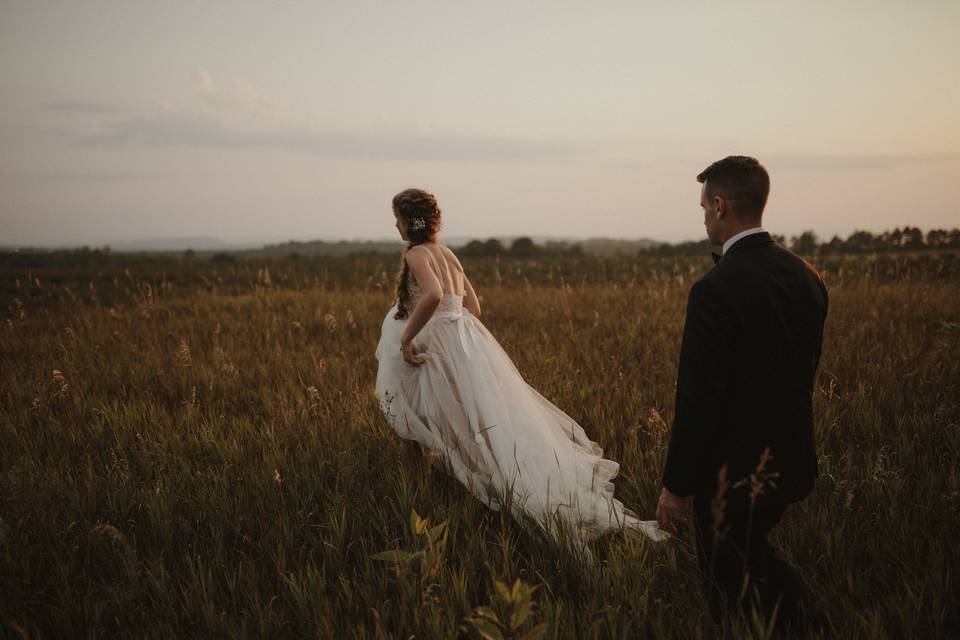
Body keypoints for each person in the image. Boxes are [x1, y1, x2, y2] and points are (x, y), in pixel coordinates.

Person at [375, 187, 667, 548]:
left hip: (438, 345)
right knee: (478, 419)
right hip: (467, 341)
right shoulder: (447, 252)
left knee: (431, 417)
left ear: (409, 222)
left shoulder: (418, 254)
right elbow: (473, 307)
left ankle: (434, 490)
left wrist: (408, 339)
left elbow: (433, 295)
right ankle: (462, 481)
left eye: (398, 218)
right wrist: (454, 327)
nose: (396, 225)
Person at [655, 156, 829, 630]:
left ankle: (815, 625)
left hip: (732, 472)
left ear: (720, 205)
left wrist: (675, 486)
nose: (703, 217)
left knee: (727, 580)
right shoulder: (807, 276)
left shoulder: (714, 289)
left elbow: (698, 399)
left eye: (704, 207)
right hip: (792, 456)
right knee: (751, 556)